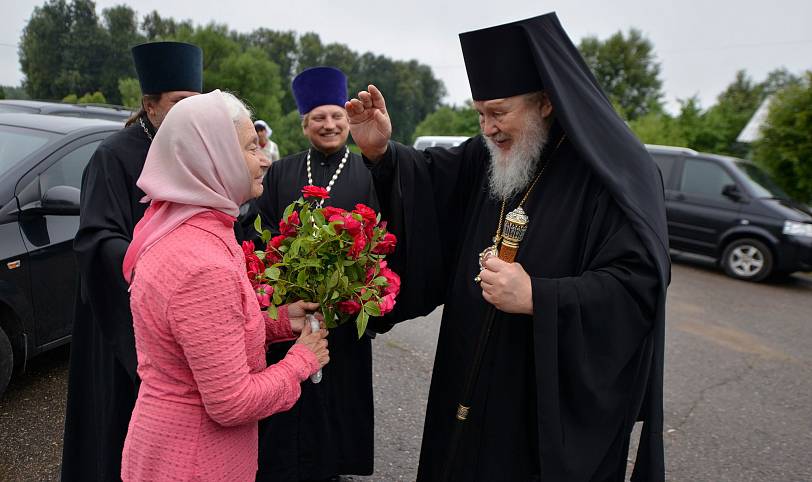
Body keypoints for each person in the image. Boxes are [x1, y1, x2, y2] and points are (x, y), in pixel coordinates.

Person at [346, 12, 669, 482]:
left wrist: (540, 296)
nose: (488, 128)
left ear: (546, 102)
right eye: (479, 114)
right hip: (466, 372)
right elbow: (431, 186)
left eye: (498, 112)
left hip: (538, 401)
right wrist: (382, 153)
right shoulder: (489, 155)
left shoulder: (613, 173)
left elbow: (637, 287)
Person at [118, 89, 329, 481]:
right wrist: (303, 359)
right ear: (213, 156)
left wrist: (282, 321)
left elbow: (204, 336)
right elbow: (232, 402)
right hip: (195, 460)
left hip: (170, 447)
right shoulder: (202, 263)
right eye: (251, 148)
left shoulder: (186, 226)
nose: (265, 158)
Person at [61, 41, 203, 481]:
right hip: (125, 318)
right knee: (120, 425)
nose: (188, 114)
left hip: (182, 313)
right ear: (150, 106)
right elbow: (96, 239)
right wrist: (158, 269)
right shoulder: (112, 156)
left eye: (195, 105)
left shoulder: (193, 154)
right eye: (180, 103)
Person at [254, 66, 381, 481]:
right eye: (319, 118)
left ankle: (335, 468)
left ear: (348, 119)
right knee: (292, 398)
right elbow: (263, 236)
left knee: (339, 398)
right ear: (304, 123)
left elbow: (383, 237)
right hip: (291, 311)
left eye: (336, 117)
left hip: (344, 317)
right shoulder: (280, 173)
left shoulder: (369, 171)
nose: (329, 125)